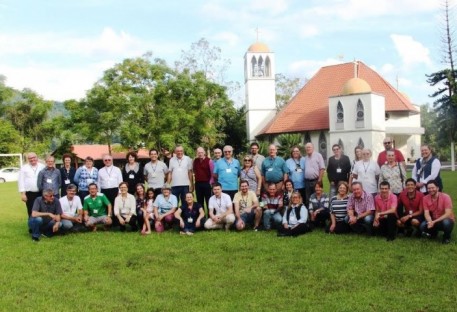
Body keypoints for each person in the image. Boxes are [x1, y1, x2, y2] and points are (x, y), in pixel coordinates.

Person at [18, 152, 45, 219]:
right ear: (28, 159)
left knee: (42, 209)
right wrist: (23, 194)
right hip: (30, 193)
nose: (32, 159)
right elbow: (21, 181)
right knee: (31, 210)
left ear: (37, 157)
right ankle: (32, 227)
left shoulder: (42, 166)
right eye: (30, 158)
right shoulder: (24, 168)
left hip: (41, 192)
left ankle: (42, 226)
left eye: (34, 157)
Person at [193, 147, 214, 211]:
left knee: (208, 200)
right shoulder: (195, 161)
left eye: (201, 152)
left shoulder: (209, 161)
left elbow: (212, 173)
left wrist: (210, 183)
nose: (200, 154)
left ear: (204, 152)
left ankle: (210, 216)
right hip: (198, 184)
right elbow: (194, 171)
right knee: (199, 201)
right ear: (197, 153)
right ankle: (202, 217)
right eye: (199, 153)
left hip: (207, 183)